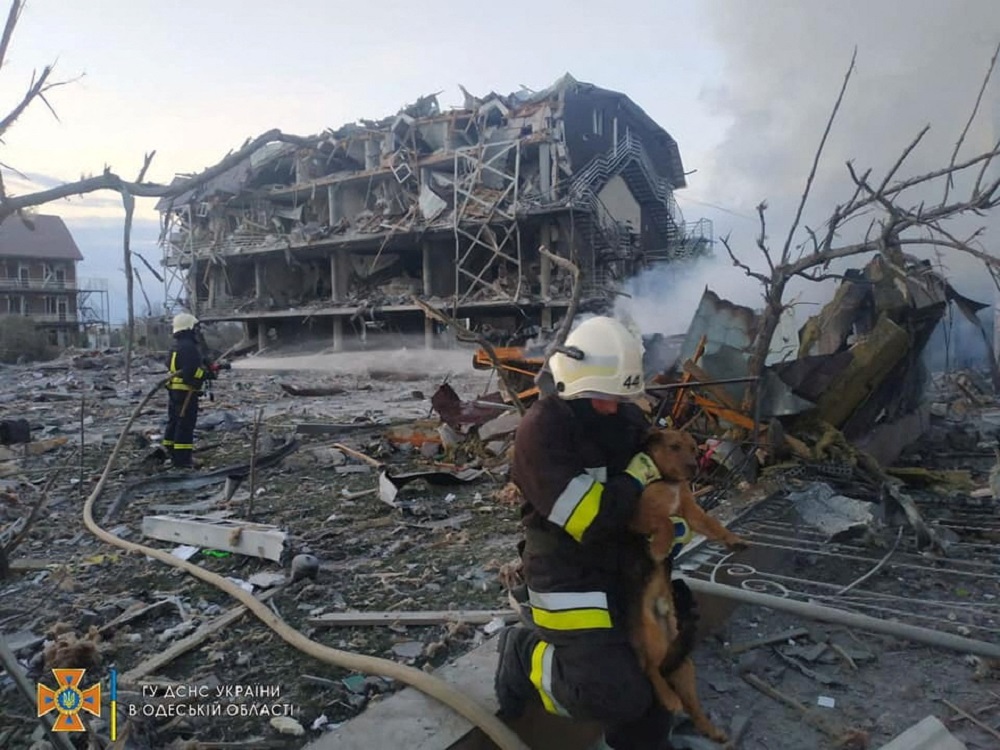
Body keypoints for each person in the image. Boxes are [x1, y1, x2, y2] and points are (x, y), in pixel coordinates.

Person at [494, 315, 684, 750]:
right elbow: (589, 518)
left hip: (622, 566)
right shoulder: (542, 432)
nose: (611, 408)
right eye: (600, 397)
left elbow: (663, 495)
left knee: (659, 673)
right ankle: (524, 655)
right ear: (572, 383)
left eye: (620, 396)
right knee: (609, 693)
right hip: (567, 574)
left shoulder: (626, 420)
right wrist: (637, 478)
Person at [162, 312, 215, 469]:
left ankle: (170, 450)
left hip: (174, 391)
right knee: (185, 425)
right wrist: (206, 374)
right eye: (195, 327)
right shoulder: (189, 347)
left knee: (174, 422)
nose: (196, 331)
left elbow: (174, 366)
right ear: (188, 328)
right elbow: (191, 373)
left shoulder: (176, 346)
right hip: (186, 392)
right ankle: (183, 460)